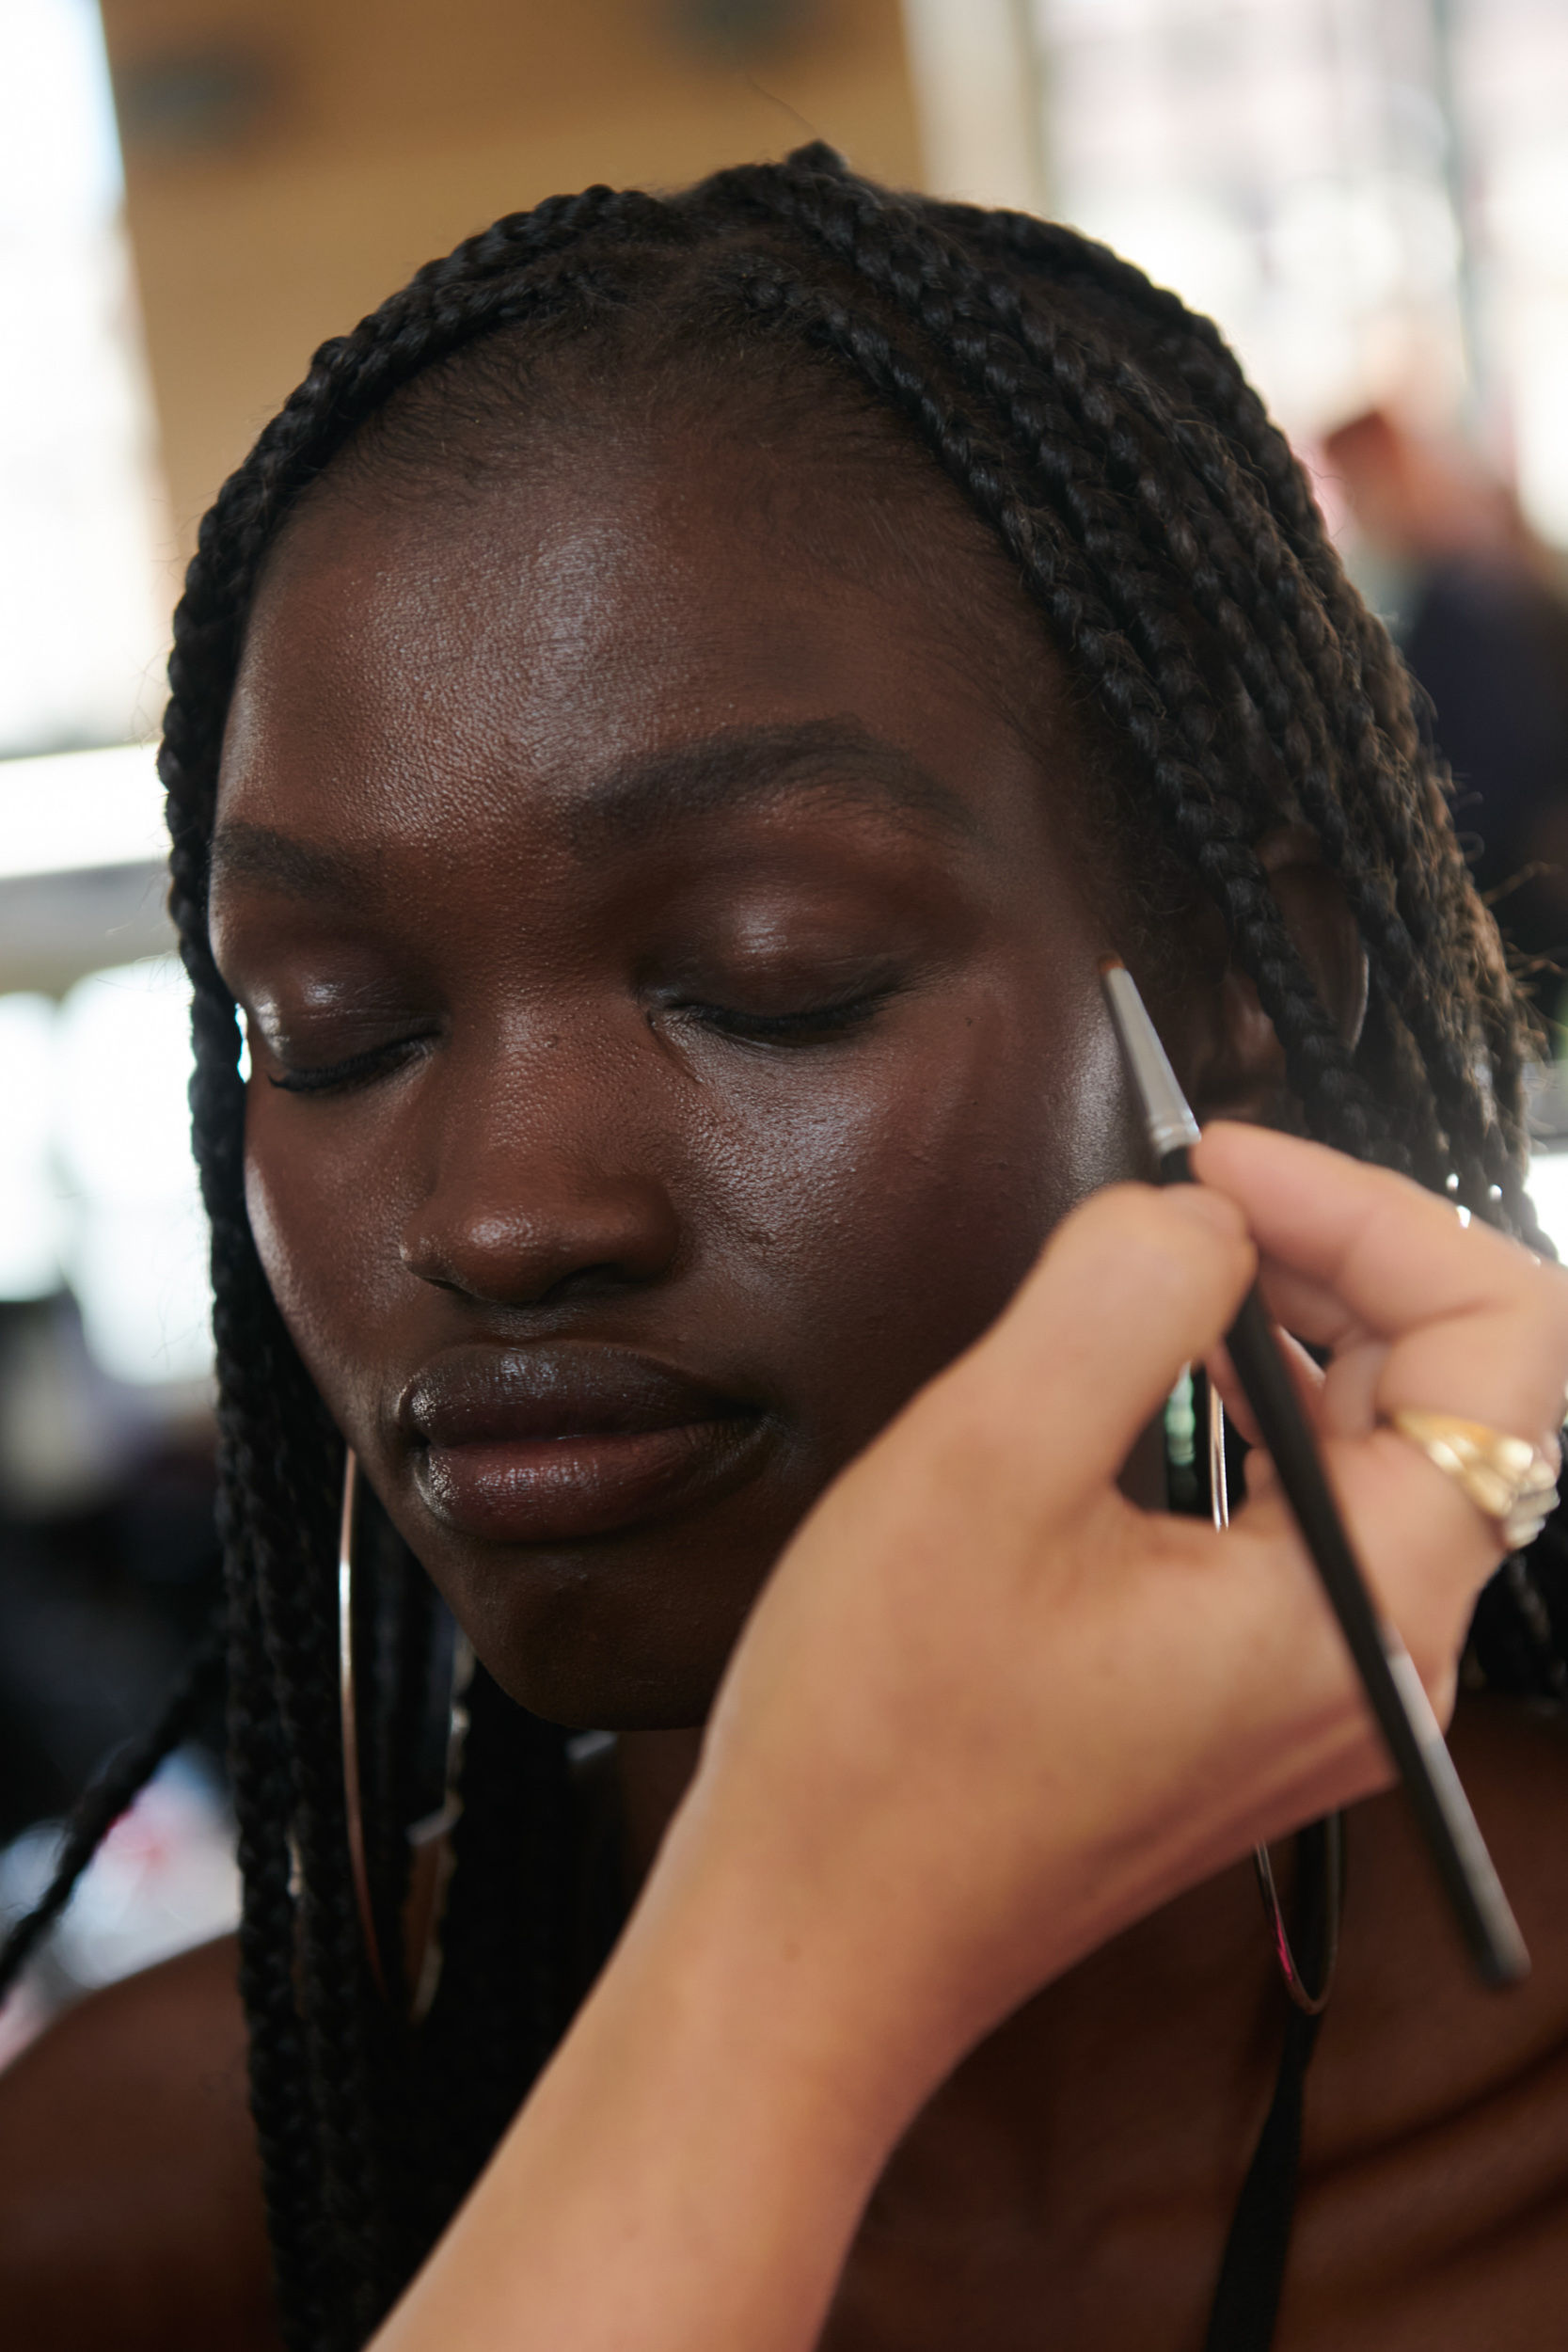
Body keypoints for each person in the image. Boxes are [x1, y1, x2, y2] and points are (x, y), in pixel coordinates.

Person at [3, 146, 1568, 2352]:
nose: (503, 1212)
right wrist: (802, 1966)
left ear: (1242, 983)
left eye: (772, 973)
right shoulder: (136, 2212)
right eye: (326, 1028)